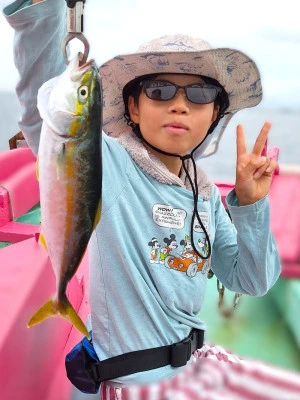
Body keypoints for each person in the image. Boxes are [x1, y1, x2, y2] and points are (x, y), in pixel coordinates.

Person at [5, 1, 300, 399]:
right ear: (133, 107)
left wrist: (249, 205)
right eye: (159, 90)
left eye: (199, 93)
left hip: (196, 366)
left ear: (213, 115)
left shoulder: (205, 194)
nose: (180, 104)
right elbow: (47, 111)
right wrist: (41, 10)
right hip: (134, 384)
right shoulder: (106, 163)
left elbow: (250, 279)